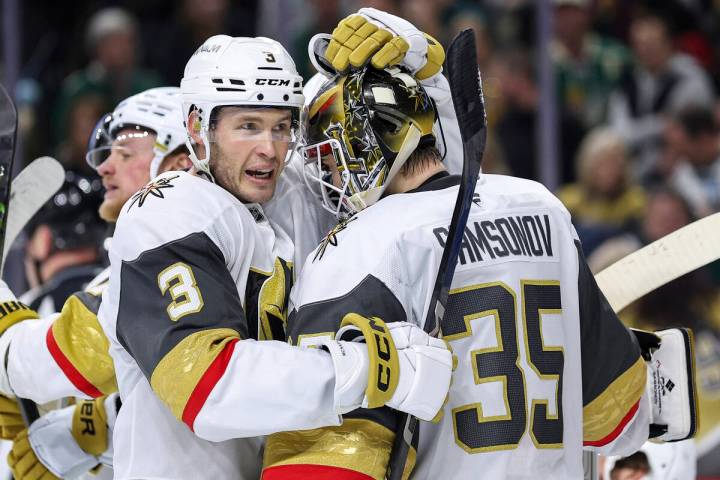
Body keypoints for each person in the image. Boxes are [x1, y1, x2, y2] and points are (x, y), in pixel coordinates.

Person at [261, 61, 698, 479]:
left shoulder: (353, 250)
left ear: (366, 148)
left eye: (333, 159)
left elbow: (324, 464)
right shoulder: (542, 205)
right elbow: (615, 417)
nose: (330, 178)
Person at [97, 34, 452, 480]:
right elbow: (206, 387)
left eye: (282, 127)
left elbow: (425, 182)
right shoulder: (169, 211)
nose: (270, 147)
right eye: (248, 126)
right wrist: (373, 368)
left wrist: (423, 68)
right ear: (196, 129)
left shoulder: (297, 198)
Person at [0, 86, 192, 479]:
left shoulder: (167, 255)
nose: (104, 167)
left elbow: (69, 360)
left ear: (179, 165)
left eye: (124, 154)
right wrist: (97, 422)